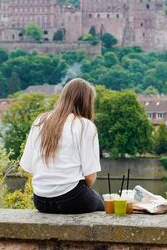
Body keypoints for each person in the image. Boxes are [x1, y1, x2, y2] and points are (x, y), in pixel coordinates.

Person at [20, 78, 104, 214]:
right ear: (86, 102)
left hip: (40, 201)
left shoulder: (40, 121)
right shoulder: (85, 126)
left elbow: (28, 167)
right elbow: (90, 177)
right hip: (71, 199)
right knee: (102, 205)